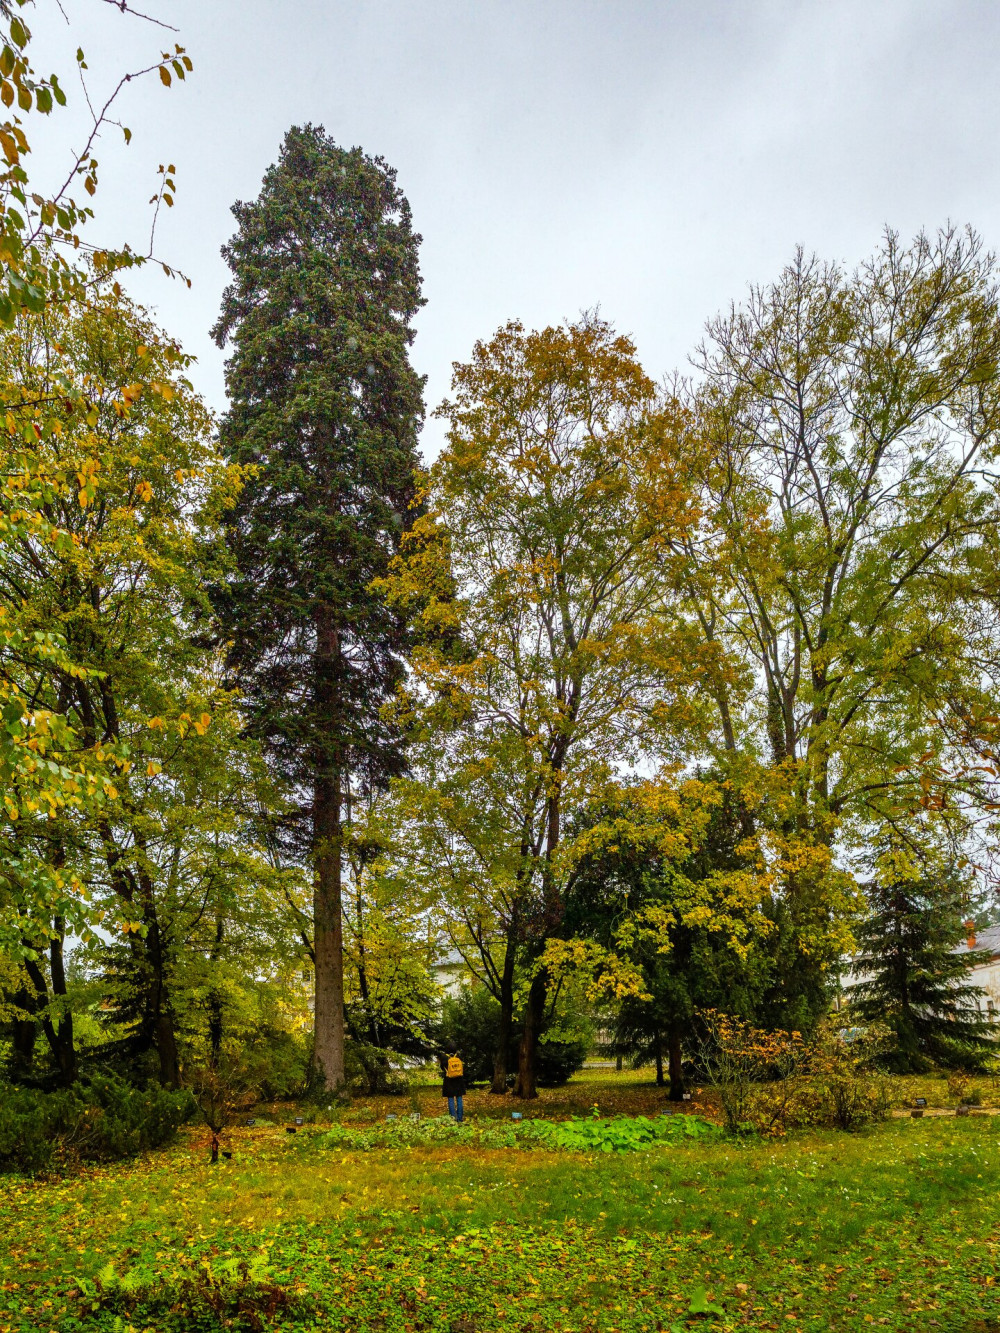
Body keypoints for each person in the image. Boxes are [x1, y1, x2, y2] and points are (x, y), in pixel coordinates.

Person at [439, 1046, 466, 1123]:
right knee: (459, 1099)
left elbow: (442, 1067)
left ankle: (453, 1118)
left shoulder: (443, 1057)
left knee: (450, 1099)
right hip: (459, 1080)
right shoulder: (459, 1056)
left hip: (449, 1080)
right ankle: (460, 1119)